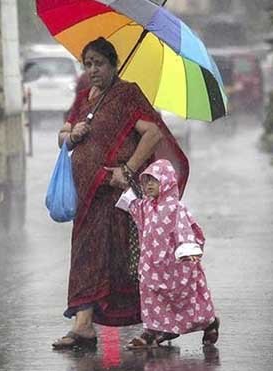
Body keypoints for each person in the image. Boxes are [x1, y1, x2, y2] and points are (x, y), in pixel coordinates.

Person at [52, 37, 189, 349]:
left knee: (126, 263)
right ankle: (83, 325)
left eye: (99, 63)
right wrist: (71, 134)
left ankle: (159, 321)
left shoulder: (127, 94)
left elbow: (152, 133)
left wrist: (128, 169)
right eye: (88, 64)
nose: (93, 70)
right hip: (87, 196)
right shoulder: (86, 98)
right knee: (85, 256)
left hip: (116, 196)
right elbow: (62, 135)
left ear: (113, 65)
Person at [116, 159, 220, 348]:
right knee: (151, 296)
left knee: (185, 299)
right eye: (146, 181)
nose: (148, 186)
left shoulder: (175, 208)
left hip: (175, 267)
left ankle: (209, 322)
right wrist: (123, 187)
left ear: (166, 181)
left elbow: (186, 232)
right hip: (151, 266)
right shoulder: (147, 207)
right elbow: (132, 205)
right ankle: (151, 330)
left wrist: (187, 257)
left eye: (153, 181)